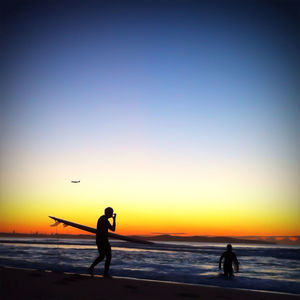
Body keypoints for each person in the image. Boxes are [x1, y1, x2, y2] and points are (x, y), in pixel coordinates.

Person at [88, 207, 116, 277]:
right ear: (108, 213)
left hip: (100, 240)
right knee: (108, 256)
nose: (112, 214)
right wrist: (114, 220)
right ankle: (105, 273)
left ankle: (91, 268)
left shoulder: (102, 218)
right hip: (103, 241)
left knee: (102, 256)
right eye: (111, 212)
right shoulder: (104, 220)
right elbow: (113, 229)